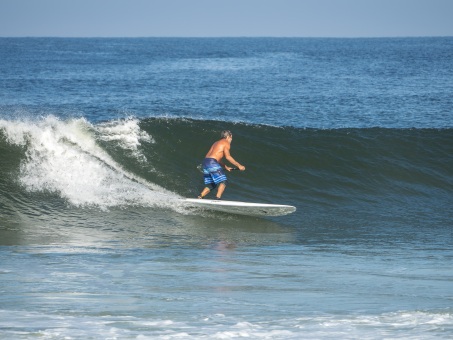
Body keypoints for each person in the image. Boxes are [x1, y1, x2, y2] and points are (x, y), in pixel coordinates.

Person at [198, 130, 245, 199]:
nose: (231, 140)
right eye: (231, 138)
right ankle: (217, 198)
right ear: (229, 136)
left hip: (206, 162)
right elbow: (228, 157)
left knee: (213, 184)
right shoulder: (226, 143)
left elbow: (217, 158)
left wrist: (225, 166)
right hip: (212, 162)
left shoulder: (216, 143)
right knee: (224, 181)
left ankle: (200, 196)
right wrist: (239, 165)